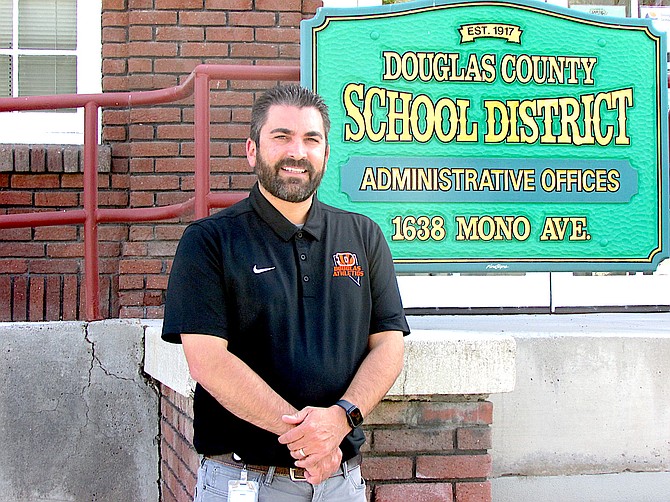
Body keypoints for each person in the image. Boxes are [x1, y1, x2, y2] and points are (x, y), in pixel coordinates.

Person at [162, 83, 409, 501]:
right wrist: (310, 438)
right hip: (246, 482)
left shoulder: (363, 236)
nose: (298, 152)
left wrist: (340, 420)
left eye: (311, 139)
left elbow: (388, 345)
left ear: (326, 155)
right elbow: (207, 361)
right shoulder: (209, 242)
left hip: (341, 484)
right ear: (251, 150)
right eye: (281, 137)